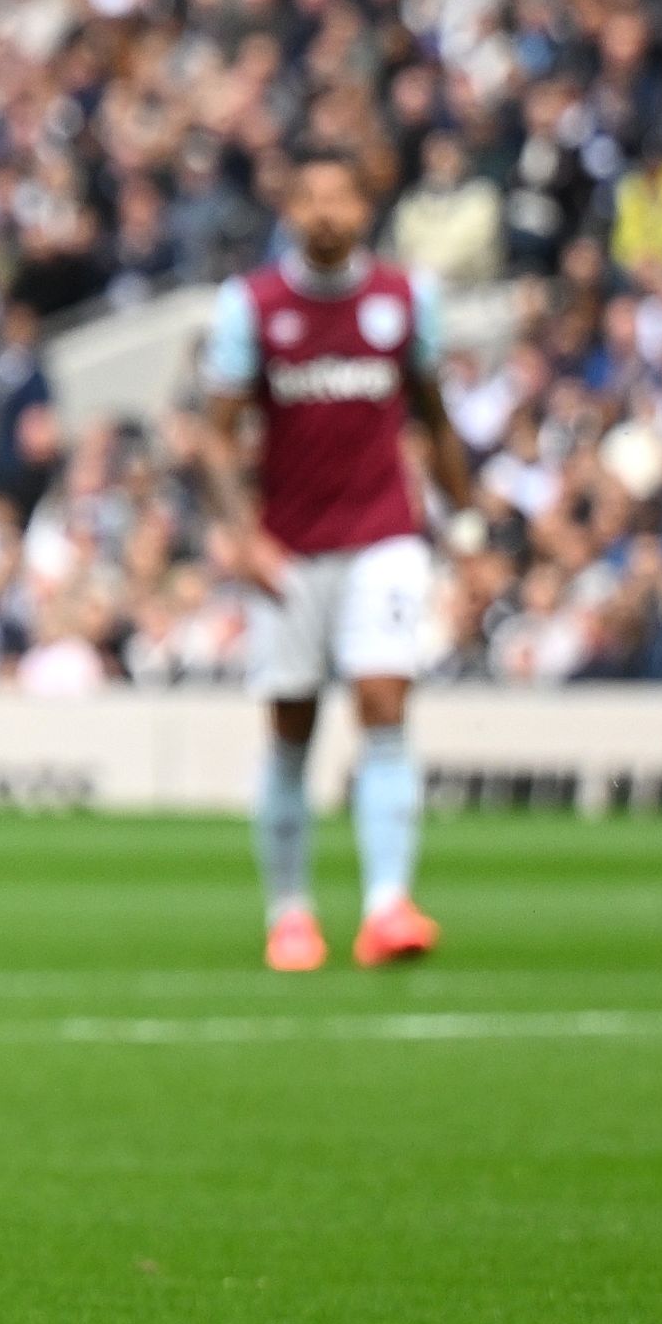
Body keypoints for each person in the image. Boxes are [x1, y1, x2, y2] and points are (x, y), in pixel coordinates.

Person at [194, 146, 480, 974]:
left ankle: (388, 906)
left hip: (384, 533)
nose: (324, 212)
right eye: (308, 196)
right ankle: (291, 913)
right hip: (289, 543)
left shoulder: (403, 299)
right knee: (291, 726)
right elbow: (215, 440)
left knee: (384, 701)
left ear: (365, 207)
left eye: (338, 196)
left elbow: (433, 416)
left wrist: (465, 530)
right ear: (289, 210)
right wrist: (243, 536)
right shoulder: (252, 306)